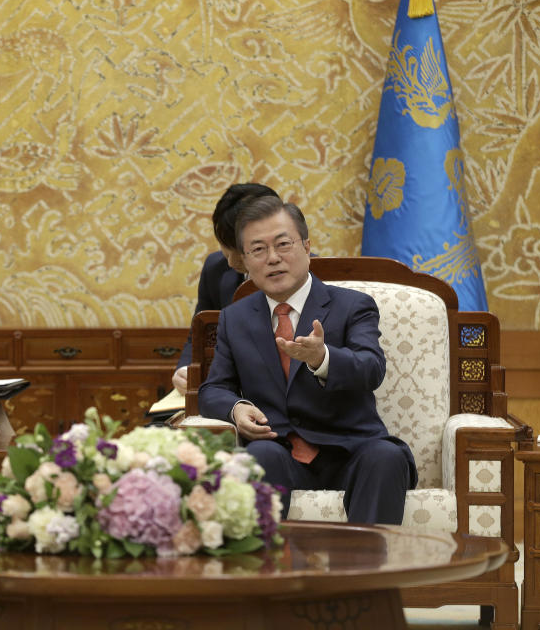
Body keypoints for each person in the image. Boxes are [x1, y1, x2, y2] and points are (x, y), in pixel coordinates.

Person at [197, 196, 415, 524]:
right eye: (258, 250)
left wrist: (323, 358)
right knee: (257, 456)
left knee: (386, 457)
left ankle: (370, 575)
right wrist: (236, 408)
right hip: (279, 452)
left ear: (307, 247)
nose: (273, 259)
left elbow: (371, 368)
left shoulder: (353, 306)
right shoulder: (235, 318)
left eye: (283, 244)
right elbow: (213, 389)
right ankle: (267, 571)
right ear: (244, 260)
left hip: (352, 450)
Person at [171, 183, 279, 394]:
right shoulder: (216, 268)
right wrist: (185, 370)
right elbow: (199, 335)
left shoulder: (313, 272)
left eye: (238, 252)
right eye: (224, 248)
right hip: (225, 392)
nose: (230, 261)